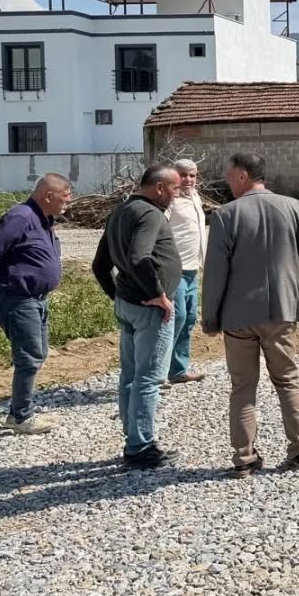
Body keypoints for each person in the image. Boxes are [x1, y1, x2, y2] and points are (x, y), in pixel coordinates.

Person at [202, 152, 299, 478]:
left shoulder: (226, 215)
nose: (227, 181)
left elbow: (215, 273)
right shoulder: (294, 207)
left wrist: (210, 317)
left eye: (229, 176)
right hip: (282, 311)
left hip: (238, 315)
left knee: (243, 387)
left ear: (243, 176)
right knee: (288, 381)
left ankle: (244, 458)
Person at [91, 163, 182, 469]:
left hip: (128, 304)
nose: (177, 194)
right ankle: (140, 447)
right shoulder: (150, 214)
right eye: (175, 188)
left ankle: (133, 438)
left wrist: (117, 295)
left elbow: (99, 265)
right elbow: (139, 256)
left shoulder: (120, 212)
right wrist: (158, 294)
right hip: (149, 309)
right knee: (148, 378)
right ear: (159, 188)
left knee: (130, 375)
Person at [0, 173, 73, 435]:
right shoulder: (21, 217)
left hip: (36, 299)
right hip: (17, 299)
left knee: (37, 354)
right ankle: (21, 417)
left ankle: (18, 411)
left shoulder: (44, 220)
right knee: (28, 358)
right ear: (48, 196)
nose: (68, 202)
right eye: (64, 197)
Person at [165, 158, 207, 385]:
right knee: (177, 318)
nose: (188, 180)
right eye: (183, 175)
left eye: (192, 175)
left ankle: (178, 370)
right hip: (176, 270)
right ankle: (158, 372)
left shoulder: (195, 198)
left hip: (193, 269)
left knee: (189, 319)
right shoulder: (170, 200)